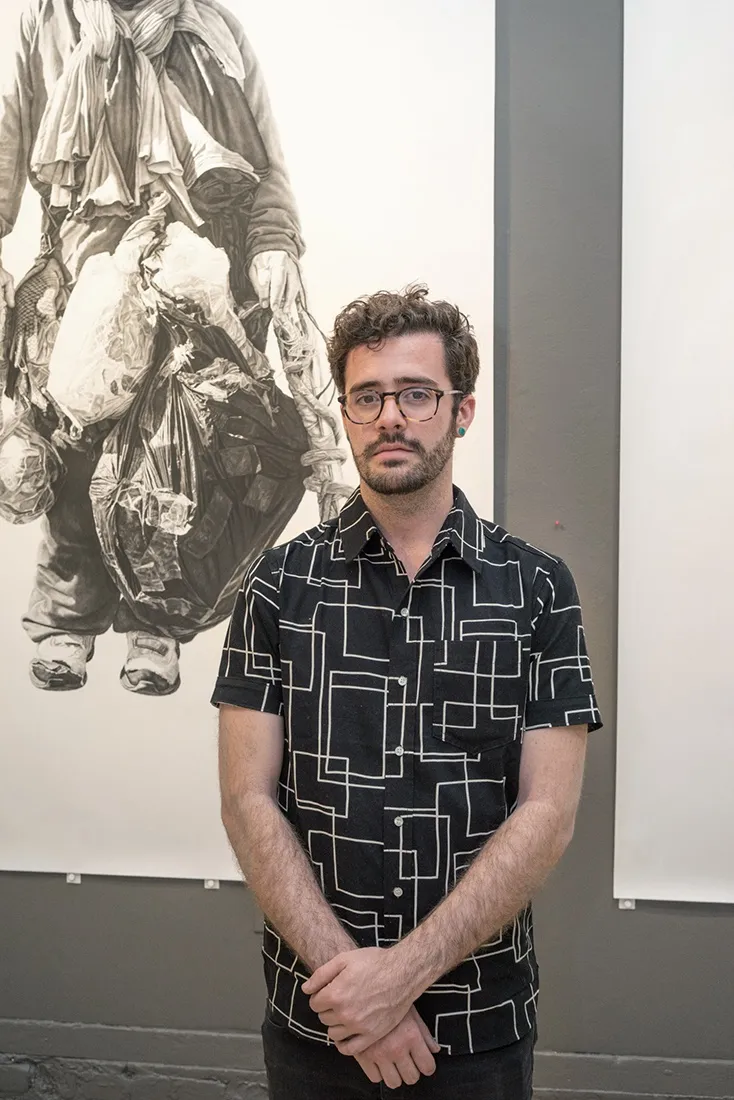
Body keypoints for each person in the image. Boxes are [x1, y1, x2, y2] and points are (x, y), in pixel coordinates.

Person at [213, 285, 602, 1097]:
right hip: (321, 1014)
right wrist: (356, 987)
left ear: (460, 410)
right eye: (367, 397)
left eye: (416, 394)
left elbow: (548, 813)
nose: (391, 416)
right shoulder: (278, 585)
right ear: (346, 413)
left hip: (477, 1024)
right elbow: (248, 800)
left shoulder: (536, 588)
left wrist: (401, 977)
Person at [0, 0, 305, 694]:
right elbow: (6, 142)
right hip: (85, 258)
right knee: (76, 436)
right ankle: (67, 616)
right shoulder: (46, 20)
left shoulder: (215, 28)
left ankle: (156, 625)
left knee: (181, 446)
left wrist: (274, 243)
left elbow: (264, 159)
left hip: (202, 260)